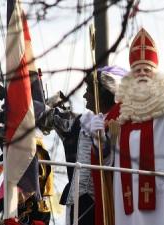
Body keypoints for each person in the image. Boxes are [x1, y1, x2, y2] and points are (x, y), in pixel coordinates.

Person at [91, 28, 164, 225]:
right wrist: (99, 139)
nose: (142, 74)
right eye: (137, 70)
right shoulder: (118, 113)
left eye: (147, 70)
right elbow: (105, 160)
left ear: (156, 74)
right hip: (126, 197)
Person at [39, 66, 126, 224]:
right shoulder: (79, 123)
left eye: (89, 90)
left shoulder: (124, 124)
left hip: (107, 205)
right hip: (76, 205)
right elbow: (44, 116)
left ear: (103, 93)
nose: (85, 95)